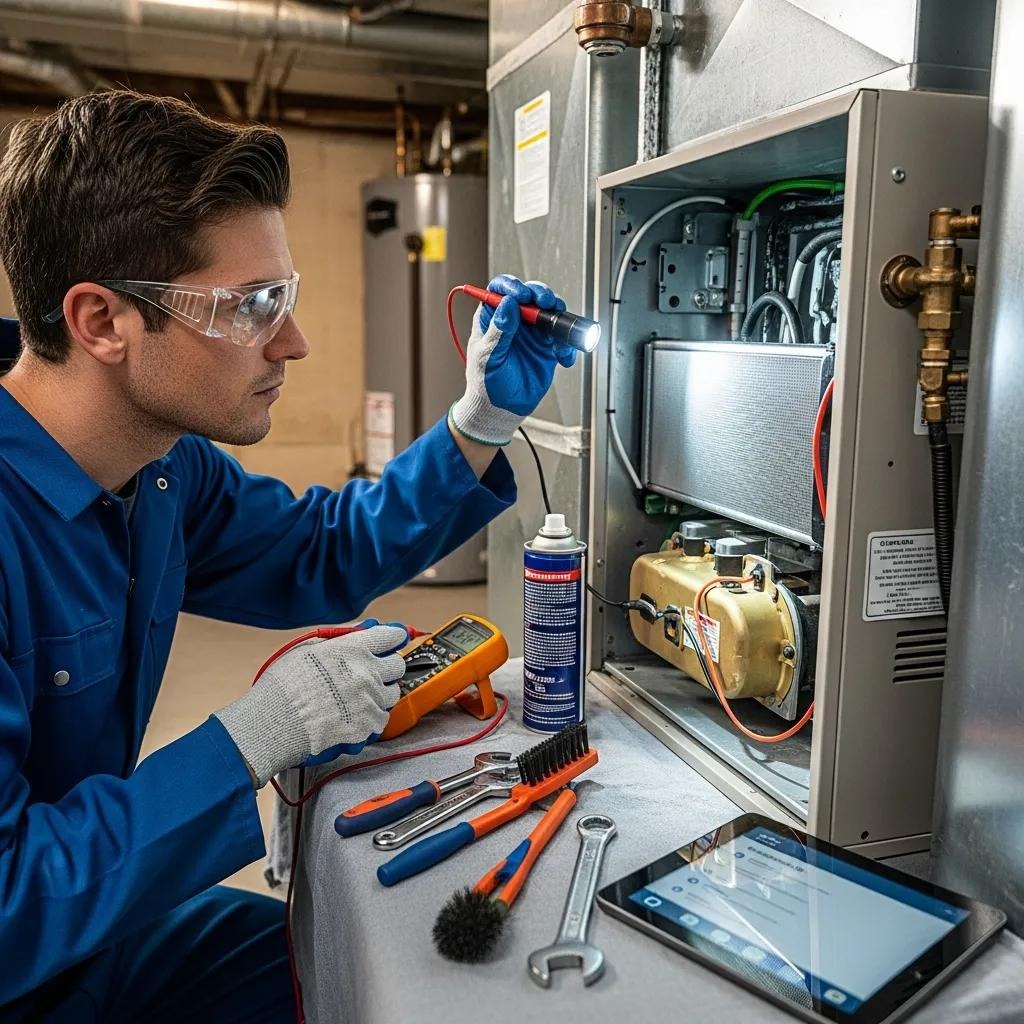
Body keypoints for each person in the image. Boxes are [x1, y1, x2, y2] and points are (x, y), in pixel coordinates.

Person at [0, 90, 576, 1022]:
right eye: (252, 307)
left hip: (92, 936)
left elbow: (322, 547)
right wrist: (250, 741)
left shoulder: (159, 468)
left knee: (359, 973)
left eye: (287, 297)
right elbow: (10, 898)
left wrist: (480, 421)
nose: (295, 342)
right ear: (101, 321)